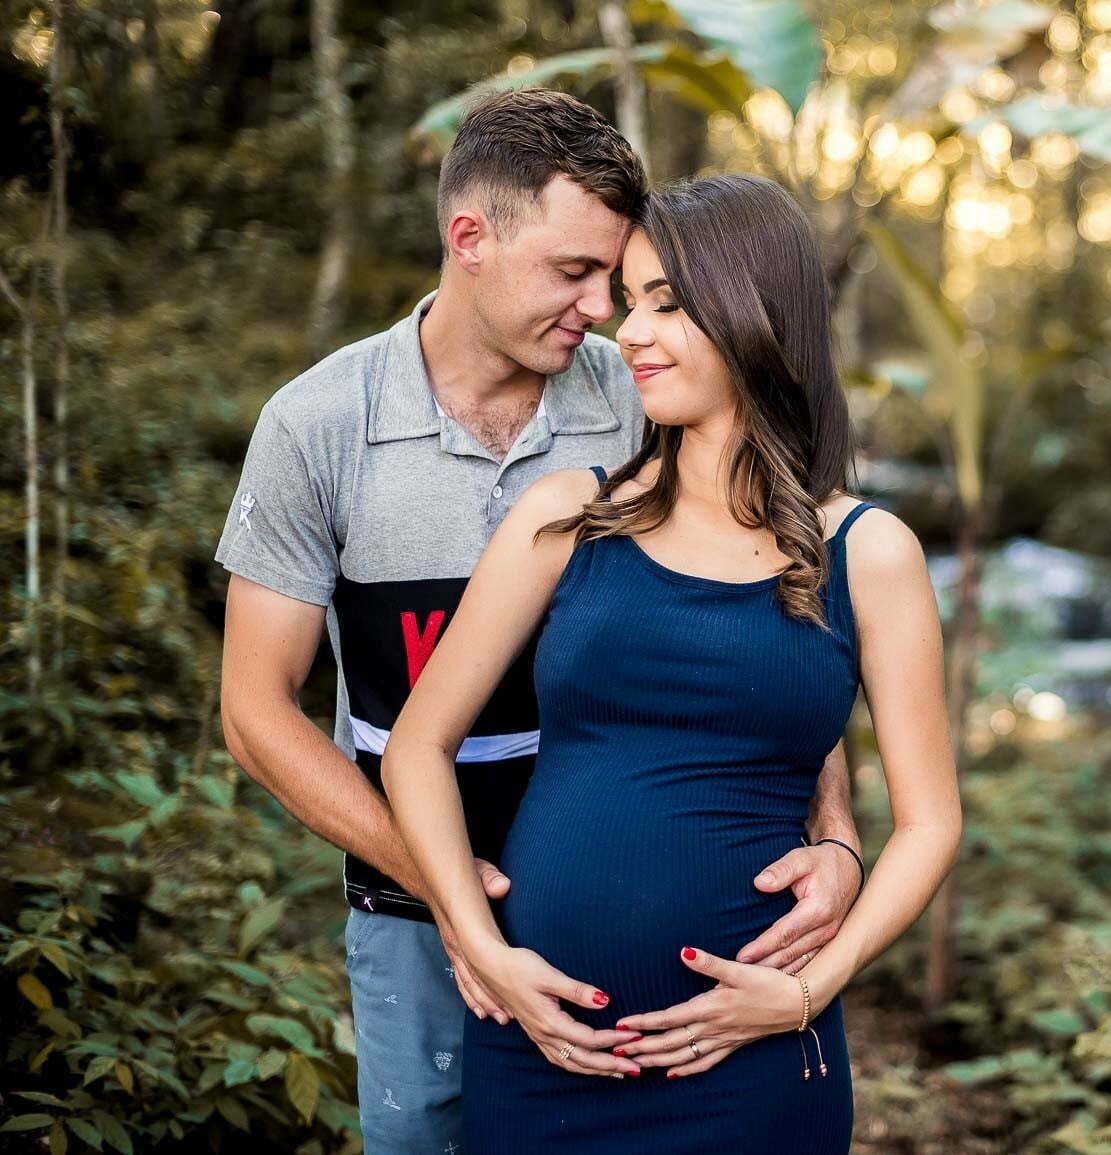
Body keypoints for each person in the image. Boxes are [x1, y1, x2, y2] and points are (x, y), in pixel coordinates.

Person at [215, 91, 866, 1154]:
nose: (605, 307)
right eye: (574, 273)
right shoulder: (319, 427)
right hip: (418, 906)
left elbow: (773, 627)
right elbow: (255, 713)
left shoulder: (639, 393)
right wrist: (450, 892)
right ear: (469, 238)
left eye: (617, 275)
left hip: (663, 915)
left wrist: (831, 829)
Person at [380, 171, 963, 1153]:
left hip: (752, 1069)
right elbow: (416, 746)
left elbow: (930, 821)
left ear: (756, 315)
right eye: (630, 300)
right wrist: (481, 949)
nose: (629, 333)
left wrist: (805, 992)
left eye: (668, 303)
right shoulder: (564, 515)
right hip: (543, 1050)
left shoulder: (867, 552)